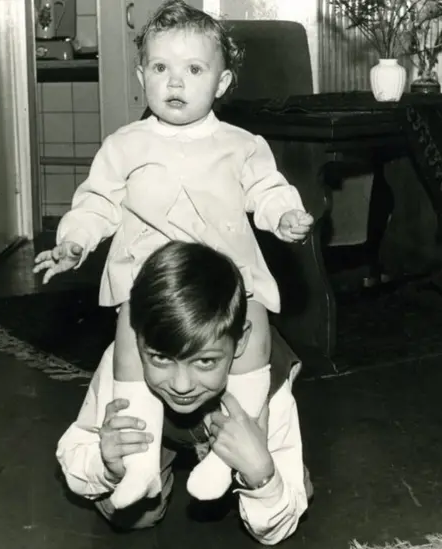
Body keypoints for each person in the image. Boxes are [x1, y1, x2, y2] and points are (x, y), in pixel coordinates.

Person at [34, 0, 313, 509]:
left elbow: (267, 188)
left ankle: (230, 454)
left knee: (252, 333)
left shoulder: (242, 144)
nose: (176, 83)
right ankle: (137, 466)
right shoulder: (124, 145)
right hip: (151, 286)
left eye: (194, 69)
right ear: (142, 76)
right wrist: (75, 240)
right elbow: (97, 200)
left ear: (223, 83)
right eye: (161, 68)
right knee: (130, 333)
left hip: (226, 286)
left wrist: (284, 214)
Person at [56, 241, 313, 545]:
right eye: (161, 358)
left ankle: (237, 465)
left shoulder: (264, 388)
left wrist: (262, 474)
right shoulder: (124, 366)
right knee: (133, 513)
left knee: (287, 495)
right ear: (136, 340)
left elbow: (275, 532)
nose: (181, 386)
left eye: (205, 361)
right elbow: (74, 453)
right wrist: (107, 465)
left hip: (234, 432)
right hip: (160, 432)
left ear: (241, 342)